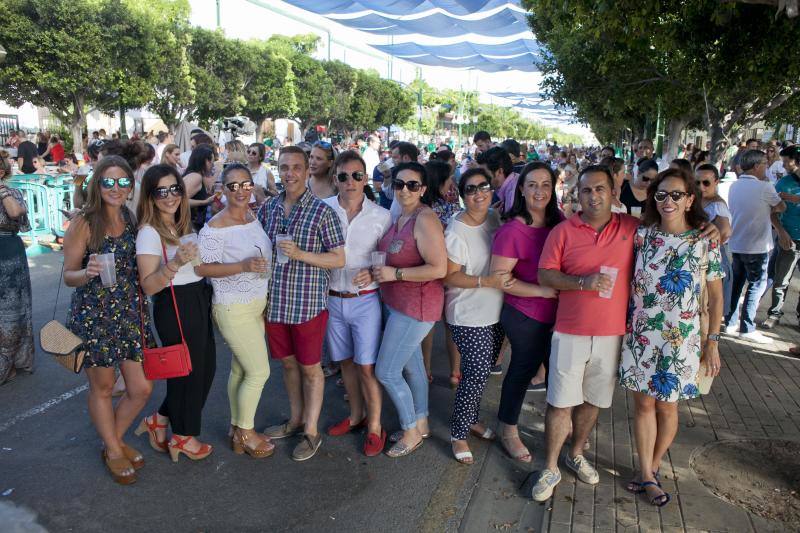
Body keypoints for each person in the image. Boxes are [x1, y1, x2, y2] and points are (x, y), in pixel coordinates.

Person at [532, 165, 640, 501]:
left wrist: (716, 225)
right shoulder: (563, 232)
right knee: (560, 401)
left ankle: (575, 453)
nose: (593, 196)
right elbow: (545, 275)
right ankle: (550, 467)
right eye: (586, 190)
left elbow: (677, 226)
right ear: (577, 194)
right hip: (570, 331)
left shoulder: (631, 228)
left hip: (612, 334)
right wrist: (582, 282)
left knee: (594, 400)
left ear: (613, 192)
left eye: (600, 189)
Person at [619, 168, 724, 507]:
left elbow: (717, 297)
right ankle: (647, 472)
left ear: (690, 199)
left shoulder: (705, 240)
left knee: (667, 406)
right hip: (640, 335)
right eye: (661, 194)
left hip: (680, 339)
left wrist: (713, 341)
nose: (668, 201)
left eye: (677, 195)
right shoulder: (642, 236)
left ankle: (651, 466)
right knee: (643, 405)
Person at [62, 155, 153, 484]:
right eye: (108, 182)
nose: (116, 188)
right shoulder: (84, 222)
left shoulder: (130, 218)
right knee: (102, 387)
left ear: (131, 185)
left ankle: (111, 440)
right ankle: (114, 449)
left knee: (140, 388)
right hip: (95, 317)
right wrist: (85, 272)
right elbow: (68, 276)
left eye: (123, 182)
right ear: (97, 185)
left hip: (128, 314)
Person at [257, 146, 345, 461]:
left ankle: (311, 430)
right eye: (284, 168)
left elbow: (339, 258)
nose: (290, 174)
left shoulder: (323, 212)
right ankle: (294, 420)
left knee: (310, 369)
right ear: (278, 171)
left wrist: (300, 254)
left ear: (308, 171)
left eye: (296, 167)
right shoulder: (268, 208)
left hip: (307, 305)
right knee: (288, 365)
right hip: (275, 303)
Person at [134, 164, 216, 462]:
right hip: (174, 304)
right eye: (161, 191)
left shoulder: (179, 224)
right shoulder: (148, 232)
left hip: (196, 298)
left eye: (175, 189)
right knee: (187, 375)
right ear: (150, 196)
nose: (170, 196)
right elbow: (148, 286)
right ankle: (183, 437)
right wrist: (175, 264)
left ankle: (159, 421)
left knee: (204, 371)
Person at [198, 164, 274, 458]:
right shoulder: (216, 226)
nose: (241, 191)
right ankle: (246, 432)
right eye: (233, 186)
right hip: (233, 307)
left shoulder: (253, 216)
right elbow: (202, 267)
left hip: (256, 303)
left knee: (241, 369)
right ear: (223, 190)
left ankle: (234, 426)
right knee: (259, 371)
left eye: (245, 184)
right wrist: (242, 266)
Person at [372, 162, 447, 458]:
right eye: (400, 184)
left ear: (423, 189)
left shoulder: (424, 218)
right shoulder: (399, 214)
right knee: (413, 368)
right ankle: (422, 421)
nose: (405, 190)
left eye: (413, 185)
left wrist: (395, 275)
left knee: (387, 371)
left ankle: (410, 430)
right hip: (398, 303)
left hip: (416, 307)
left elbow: (438, 268)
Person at [490, 162, 562, 462]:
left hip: (559, 315)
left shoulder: (559, 223)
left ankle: (558, 430)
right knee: (521, 371)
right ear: (521, 188)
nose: (539, 191)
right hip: (525, 314)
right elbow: (500, 278)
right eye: (532, 184)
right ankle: (508, 429)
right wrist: (541, 291)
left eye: (546, 184)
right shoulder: (513, 229)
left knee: (558, 375)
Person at [322, 150, 392, 456]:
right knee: (346, 363)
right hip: (331, 299)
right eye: (343, 176)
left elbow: (388, 257)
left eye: (356, 175)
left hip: (366, 300)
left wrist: (373, 270)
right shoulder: (321, 209)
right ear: (335, 179)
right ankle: (355, 416)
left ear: (366, 179)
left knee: (366, 367)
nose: (350, 182)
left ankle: (375, 426)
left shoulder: (381, 216)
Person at [444, 168, 508, 464]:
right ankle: (458, 433)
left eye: (483, 186)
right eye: (471, 189)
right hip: (467, 314)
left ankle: (471, 419)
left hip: (495, 311)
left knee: (481, 374)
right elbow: (449, 277)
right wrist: (486, 282)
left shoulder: (495, 219)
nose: (479, 193)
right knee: (476, 374)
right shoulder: (456, 231)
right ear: (462, 195)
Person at [725, 149, 785, 342]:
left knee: (737, 284)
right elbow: (781, 206)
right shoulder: (764, 187)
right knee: (756, 285)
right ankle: (747, 327)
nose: (766, 169)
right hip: (757, 245)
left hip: (737, 242)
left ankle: (731, 322)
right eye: (765, 165)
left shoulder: (735, 186)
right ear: (757, 166)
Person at [421, 159, 462, 386]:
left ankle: (426, 369)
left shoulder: (422, 208)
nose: (452, 184)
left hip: (428, 270)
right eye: (448, 179)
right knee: (450, 322)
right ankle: (455, 372)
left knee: (429, 324)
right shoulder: (449, 208)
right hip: (448, 269)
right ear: (439, 182)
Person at [0, 152, 34, 385]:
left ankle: (11, 362)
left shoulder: (12, 192)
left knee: (11, 311)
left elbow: (15, 214)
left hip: (8, 253)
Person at [763, 148, 800, 329]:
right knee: (781, 280)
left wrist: (794, 198)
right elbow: (771, 211)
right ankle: (774, 314)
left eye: (786, 162)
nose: (783, 166)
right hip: (788, 238)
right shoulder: (783, 183)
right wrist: (781, 232)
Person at [696, 164, 733, 317]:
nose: (701, 187)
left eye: (706, 183)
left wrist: (711, 249)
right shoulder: (701, 200)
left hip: (714, 259)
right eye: (697, 182)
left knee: (709, 307)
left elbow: (725, 232)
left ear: (716, 182)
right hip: (704, 258)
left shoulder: (717, 205)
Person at [183, 145, 217, 231]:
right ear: (206, 161)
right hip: (189, 226)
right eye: (212, 161)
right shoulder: (196, 177)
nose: (213, 165)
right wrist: (205, 202)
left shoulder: (194, 174)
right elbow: (180, 201)